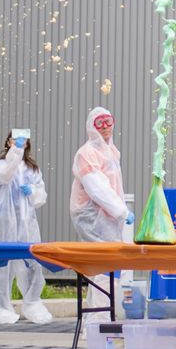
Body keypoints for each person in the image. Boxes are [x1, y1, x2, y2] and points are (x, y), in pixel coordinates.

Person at [69, 108, 131, 310]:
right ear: (91, 126)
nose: (105, 127)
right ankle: (100, 316)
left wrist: (119, 210)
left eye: (108, 121)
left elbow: (113, 186)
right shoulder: (86, 153)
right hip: (91, 215)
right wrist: (121, 211)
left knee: (105, 265)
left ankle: (96, 315)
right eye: (99, 123)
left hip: (106, 215)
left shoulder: (111, 151)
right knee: (106, 264)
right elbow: (97, 188)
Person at [0, 131, 51, 325]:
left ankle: (32, 303)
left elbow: (41, 195)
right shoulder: (0, 165)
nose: (19, 142)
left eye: (22, 140)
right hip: (5, 222)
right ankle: (1, 307)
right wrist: (15, 153)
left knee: (31, 261)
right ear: (8, 142)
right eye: (15, 139)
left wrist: (32, 191)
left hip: (26, 221)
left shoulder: (32, 169)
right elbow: (4, 176)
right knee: (2, 263)